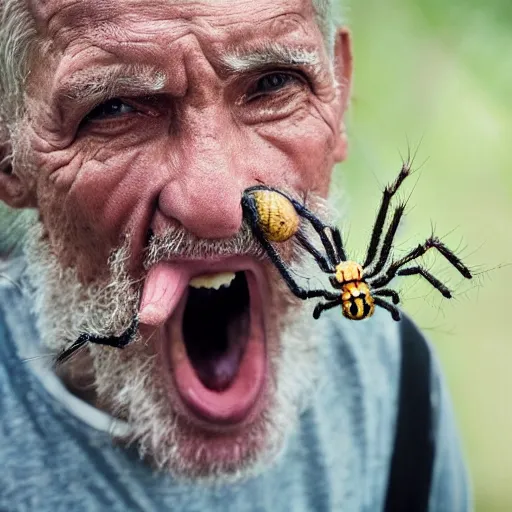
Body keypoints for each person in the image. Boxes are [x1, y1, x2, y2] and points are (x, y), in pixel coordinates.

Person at [0, 0, 471, 510]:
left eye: (273, 84)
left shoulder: (396, 385)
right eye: (114, 107)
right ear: (9, 151)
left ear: (338, 95)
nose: (222, 208)